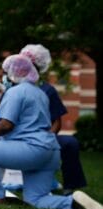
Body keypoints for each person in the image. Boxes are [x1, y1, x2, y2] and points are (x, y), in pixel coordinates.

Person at [0, 54, 103, 209]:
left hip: (30, 149)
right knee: (36, 199)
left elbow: (6, 125)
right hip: (50, 151)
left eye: (6, 72)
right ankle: (72, 201)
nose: (4, 76)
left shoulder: (15, 92)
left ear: (13, 73)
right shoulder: (40, 93)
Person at [20, 44, 87, 193]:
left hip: (43, 137)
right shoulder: (14, 88)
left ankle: (71, 185)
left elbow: (57, 121)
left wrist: (47, 138)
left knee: (70, 143)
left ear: (38, 67)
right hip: (19, 138)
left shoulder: (48, 90)